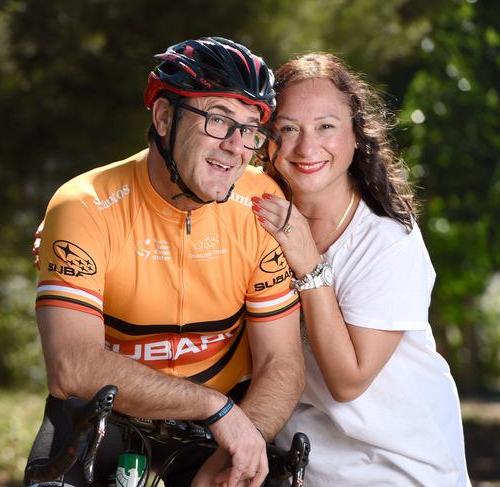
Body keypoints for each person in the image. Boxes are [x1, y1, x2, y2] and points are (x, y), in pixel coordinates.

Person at [24, 37, 304, 487]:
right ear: (163, 117)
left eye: (250, 129)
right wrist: (215, 409)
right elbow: (73, 366)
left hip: (224, 422)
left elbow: (282, 362)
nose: (236, 146)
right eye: (218, 120)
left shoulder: (261, 203)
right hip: (107, 413)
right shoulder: (84, 206)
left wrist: (242, 438)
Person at [251, 52, 471, 486]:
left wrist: (310, 264)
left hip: (399, 467)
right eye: (288, 128)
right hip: (302, 466)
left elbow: (347, 382)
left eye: (326, 127)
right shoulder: (257, 215)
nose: (306, 147)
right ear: (267, 140)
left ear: (356, 135)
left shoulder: (387, 240)